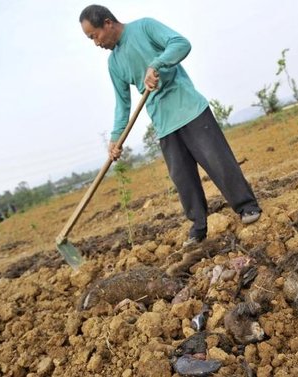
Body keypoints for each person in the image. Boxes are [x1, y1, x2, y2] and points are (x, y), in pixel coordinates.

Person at [79, 5, 262, 246]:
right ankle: (199, 227)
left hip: (189, 109)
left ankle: (246, 206)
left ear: (108, 23)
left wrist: (157, 64)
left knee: (218, 161)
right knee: (183, 179)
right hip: (163, 123)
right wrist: (115, 138)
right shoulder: (114, 64)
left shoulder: (144, 27)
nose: (95, 43)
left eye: (94, 36)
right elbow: (122, 105)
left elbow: (180, 43)